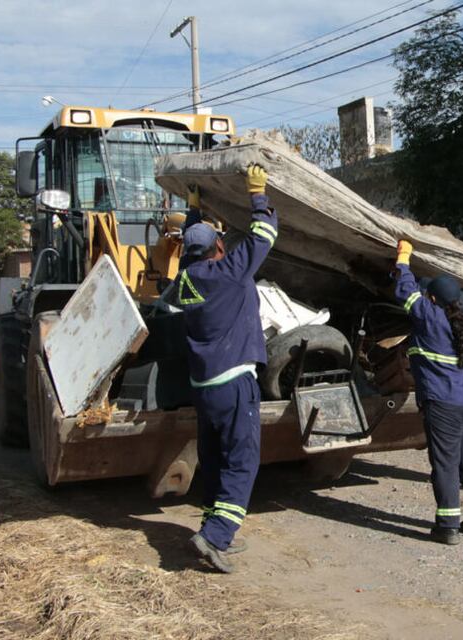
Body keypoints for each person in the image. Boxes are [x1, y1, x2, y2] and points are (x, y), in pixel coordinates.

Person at [179, 164, 278, 573]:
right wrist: (258, 194)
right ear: (219, 247)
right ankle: (216, 536)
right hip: (235, 382)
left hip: (204, 386)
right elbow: (264, 234)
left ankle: (211, 523)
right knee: (242, 460)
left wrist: (193, 210)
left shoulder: (185, 279)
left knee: (215, 457)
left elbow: (192, 242)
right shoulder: (230, 275)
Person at [394, 240, 463, 545]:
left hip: (444, 404)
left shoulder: (429, 315)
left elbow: (405, 291)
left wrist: (403, 258)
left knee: (445, 464)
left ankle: (448, 526)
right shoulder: (459, 321)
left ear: (433, 298)